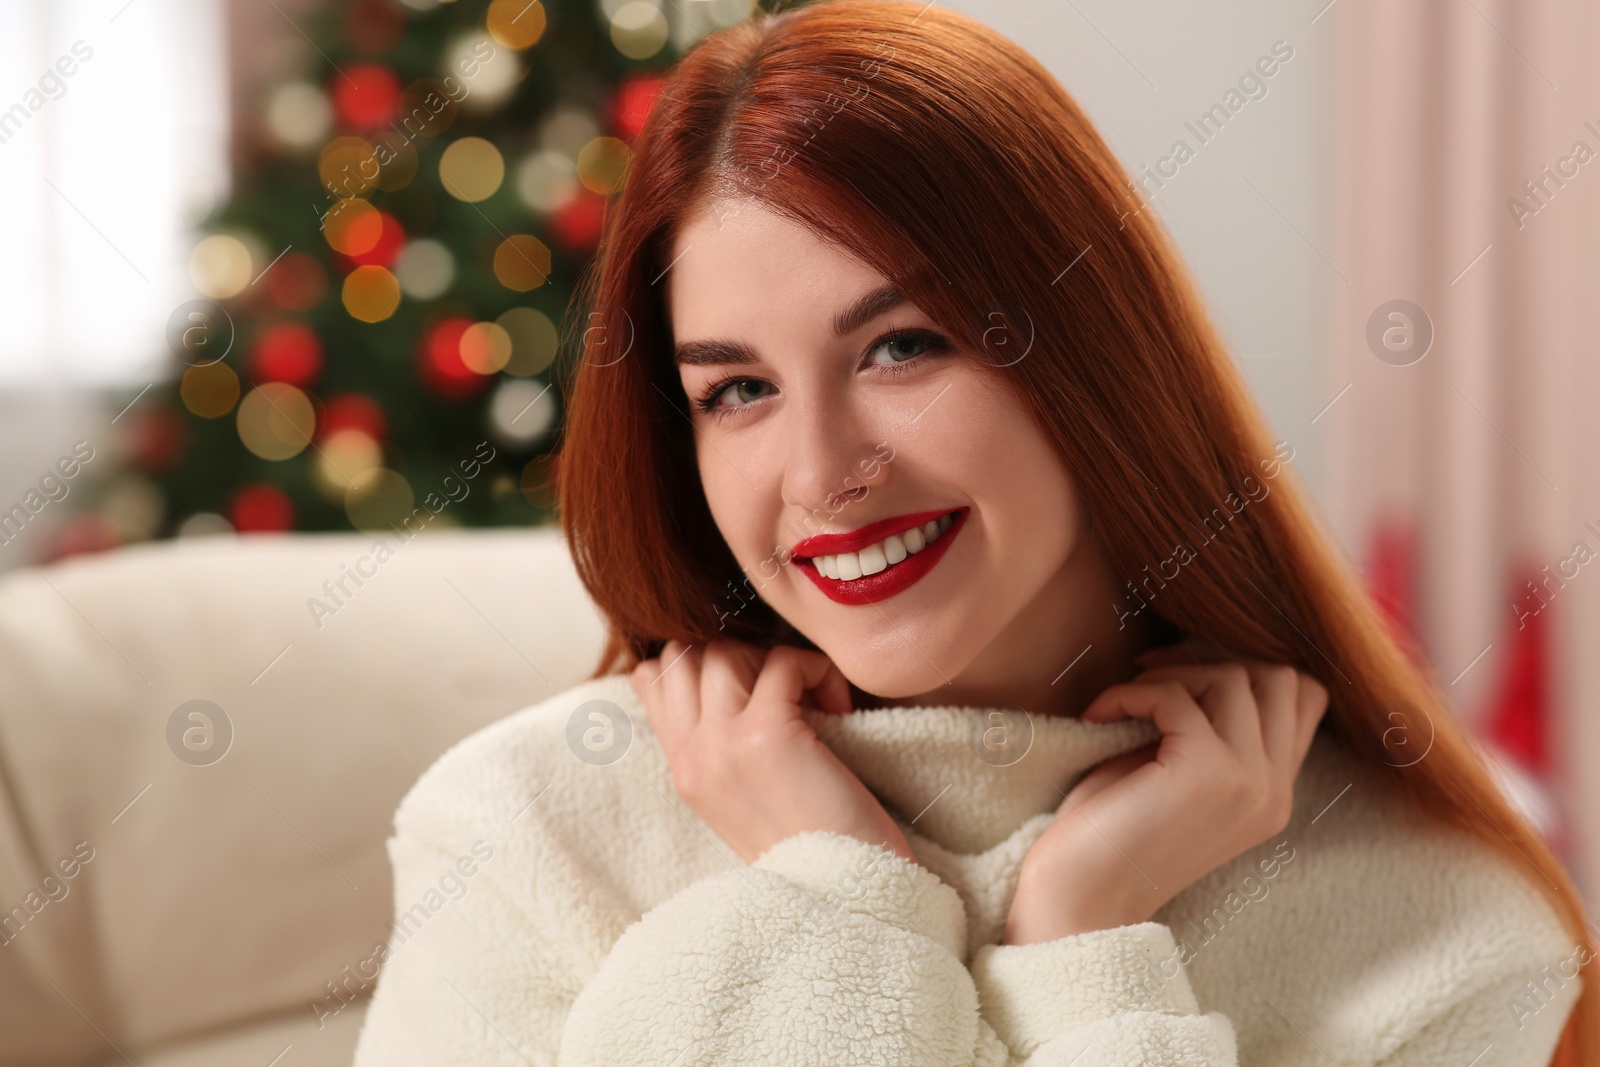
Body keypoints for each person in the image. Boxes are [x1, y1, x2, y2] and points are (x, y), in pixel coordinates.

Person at [350, 2, 1595, 1063]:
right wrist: (833, 888)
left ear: (1094, 356)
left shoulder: (1446, 929)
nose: (825, 474)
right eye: (737, 389)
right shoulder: (523, 828)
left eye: (902, 345)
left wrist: (1084, 941)